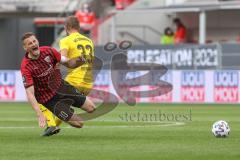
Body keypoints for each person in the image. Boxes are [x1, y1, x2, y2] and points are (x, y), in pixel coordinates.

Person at [20, 32, 96, 131]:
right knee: (79, 124)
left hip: (62, 87)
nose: (33, 44)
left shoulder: (49, 51)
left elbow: (68, 63)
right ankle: (63, 111)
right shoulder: (25, 67)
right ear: (25, 48)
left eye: (34, 41)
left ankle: (66, 108)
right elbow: (30, 93)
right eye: (29, 43)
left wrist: (81, 60)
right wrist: (39, 113)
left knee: (91, 108)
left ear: (38, 41)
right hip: (49, 99)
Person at [40, 16, 96, 135]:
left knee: (44, 96)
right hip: (88, 83)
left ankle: (51, 124)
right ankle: (53, 127)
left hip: (74, 80)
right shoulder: (89, 41)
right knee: (64, 106)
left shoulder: (66, 40)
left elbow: (61, 58)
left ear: (66, 27)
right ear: (79, 27)